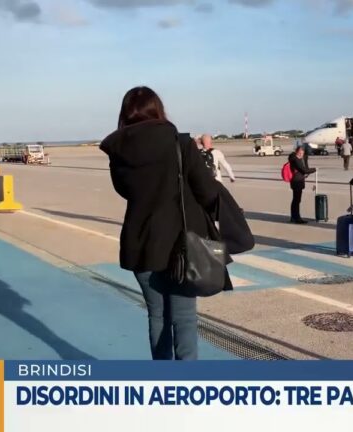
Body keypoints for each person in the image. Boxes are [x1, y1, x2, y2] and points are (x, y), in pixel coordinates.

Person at [100, 86, 245, 360]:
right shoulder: (180, 143)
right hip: (181, 246)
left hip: (141, 244)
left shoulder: (118, 149)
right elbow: (206, 191)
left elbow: (124, 190)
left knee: (157, 316)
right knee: (184, 318)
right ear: (158, 109)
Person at [288, 146, 316, 224]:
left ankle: (294, 217)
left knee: (296, 200)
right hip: (296, 181)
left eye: (302, 153)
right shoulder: (295, 159)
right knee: (296, 200)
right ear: (296, 152)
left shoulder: (299, 159)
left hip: (299, 180)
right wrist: (314, 169)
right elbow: (304, 170)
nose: (301, 154)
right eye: (299, 153)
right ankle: (296, 218)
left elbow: (304, 169)